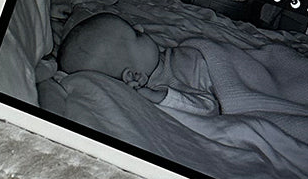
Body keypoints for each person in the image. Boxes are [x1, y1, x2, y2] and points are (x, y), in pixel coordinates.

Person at [56, 12, 220, 119]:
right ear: (134, 75)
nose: (139, 26)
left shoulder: (150, 61)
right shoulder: (164, 86)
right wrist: (159, 97)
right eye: (137, 35)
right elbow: (209, 107)